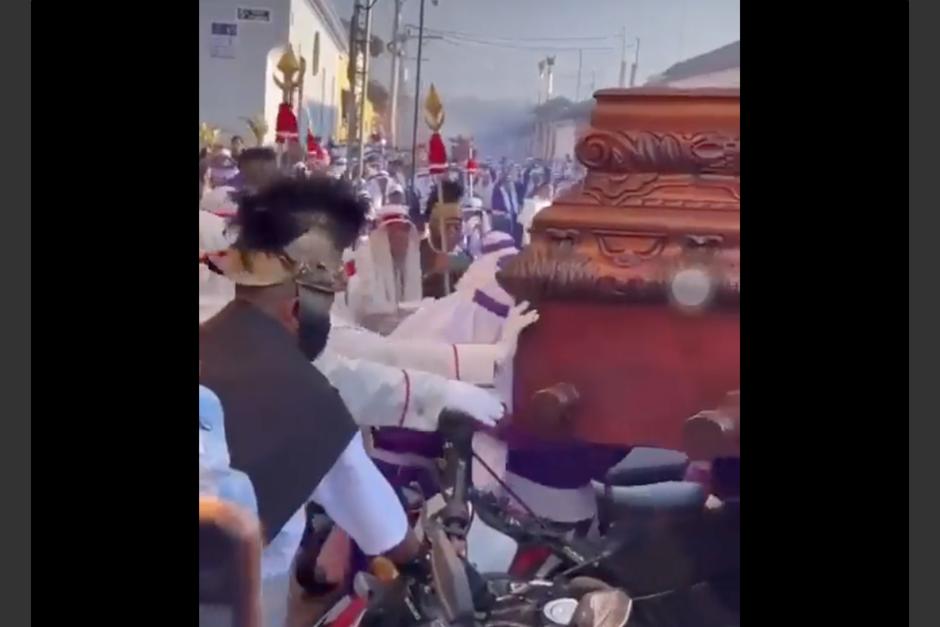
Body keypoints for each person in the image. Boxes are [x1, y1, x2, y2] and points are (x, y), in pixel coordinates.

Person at [200, 193, 419, 626]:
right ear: (299, 308)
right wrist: (420, 559)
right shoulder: (306, 395)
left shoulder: (207, 340)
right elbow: (373, 511)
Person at [346, 203, 423, 334]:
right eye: (395, 233)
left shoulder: (405, 266)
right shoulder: (364, 261)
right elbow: (367, 309)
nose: (402, 238)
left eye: (405, 232)